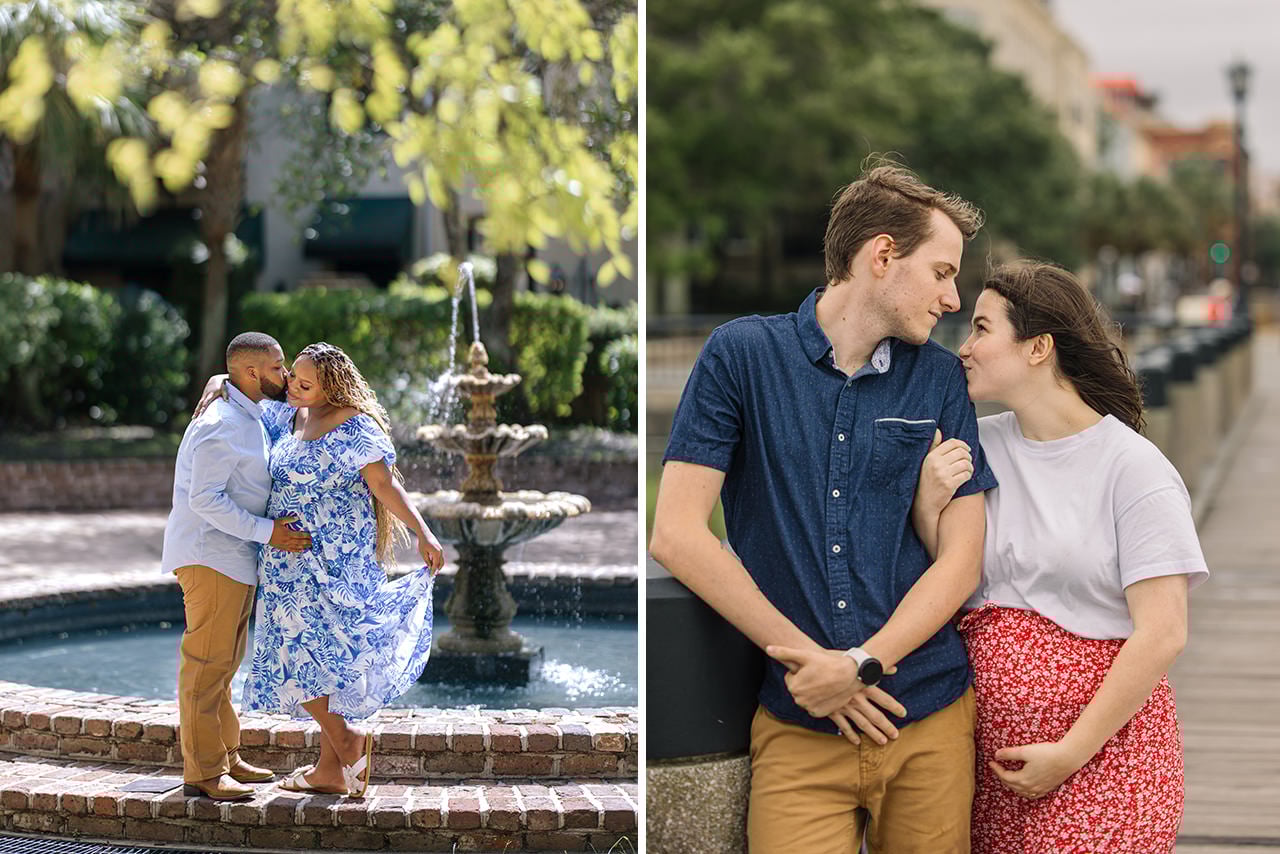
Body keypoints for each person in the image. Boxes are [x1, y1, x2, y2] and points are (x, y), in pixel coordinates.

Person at [649, 162, 999, 853]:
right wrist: (818, 667)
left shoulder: (936, 378)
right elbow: (676, 535)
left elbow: (963, 561)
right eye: (941, 272)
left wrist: (861, 664)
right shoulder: (740, 356)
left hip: (928, 718)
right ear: (882, 256)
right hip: (799, 726)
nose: (953, 299)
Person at [911, 261, 1208, 853]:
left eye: (981, 329)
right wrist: (927, 505)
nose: (963, 349)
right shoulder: (978, 446)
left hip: (1105, 761)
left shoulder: (1133, 469)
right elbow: (948, 573)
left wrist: (1069, 753)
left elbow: (1163, 632)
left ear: (1038, 347)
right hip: (987, 765)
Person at [236, 341, 445, 797]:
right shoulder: (285, 416)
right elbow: (237, 386)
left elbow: (385, 486)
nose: (292, 386)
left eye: (306, 383)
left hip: (337, 562)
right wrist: (217, 384)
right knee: (305, 658)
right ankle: (329, 770)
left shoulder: (356, 426)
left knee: (319, 658)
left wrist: (425, 533)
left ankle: (348, 743)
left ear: (331, 386)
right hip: (286, 563)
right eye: (292, 377)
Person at [161, 332, 313, 801]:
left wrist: (217, 380)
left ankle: (226, 756)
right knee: (206, 667)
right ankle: (203, 774)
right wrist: (271, 533)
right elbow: (204, 499)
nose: (284, 375)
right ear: (251, 373)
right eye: (277, 367)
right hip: (210, 556)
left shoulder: (249, 410)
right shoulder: (221, 423)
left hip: (233, 557)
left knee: (224, 667)